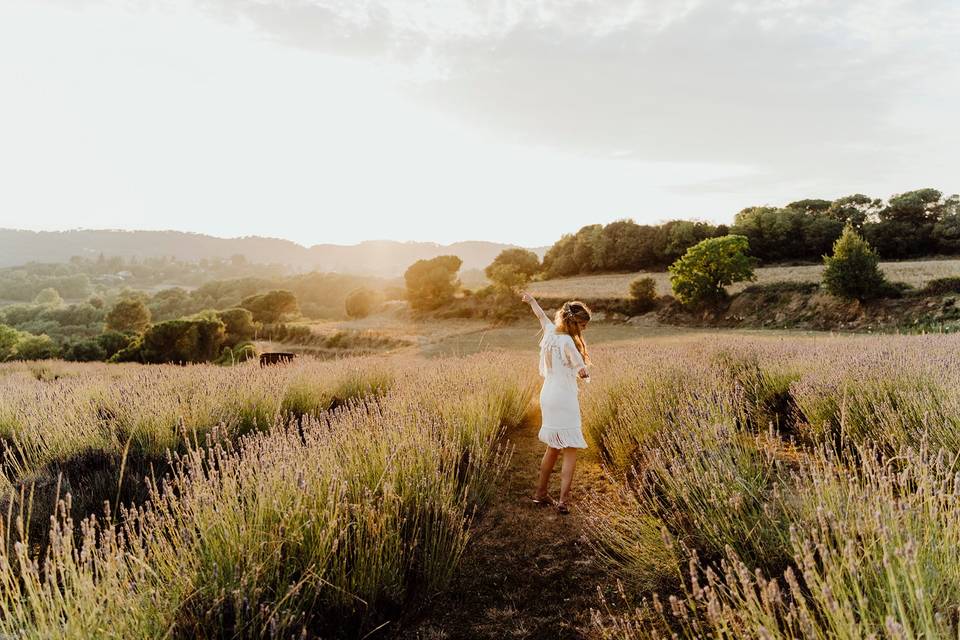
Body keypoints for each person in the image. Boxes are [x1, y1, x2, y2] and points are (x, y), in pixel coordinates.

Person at [520, 291, 592, 514]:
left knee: (553, 446)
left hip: (547, 395)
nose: (584, 329)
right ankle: (563, 501)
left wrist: (532, 301)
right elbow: (582, 371)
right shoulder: (568, 342)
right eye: (582, 324)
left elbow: (541, 316)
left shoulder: (550, 332)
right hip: (563, 396)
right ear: (574, 322)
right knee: (570, 448)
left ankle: (540, 494)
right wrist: (584, 373)